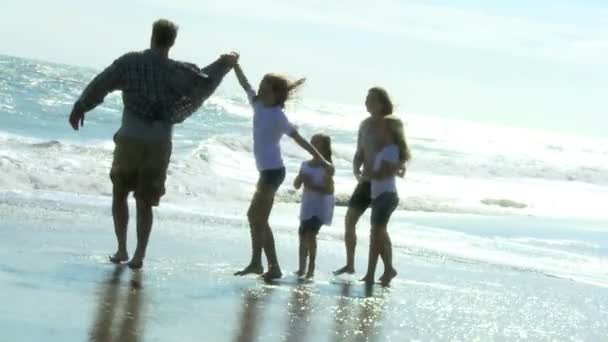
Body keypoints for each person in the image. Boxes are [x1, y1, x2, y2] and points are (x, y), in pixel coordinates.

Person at [68, 19, 238, 269]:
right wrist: (226, 62)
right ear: (172, 42)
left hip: (130, 139)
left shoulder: (130, 62)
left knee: (120, 193)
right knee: (145, 201)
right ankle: (139, 256)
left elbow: (101, 84)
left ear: (152, 36)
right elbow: (205, 80)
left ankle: (121, 249)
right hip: (159, 143)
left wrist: (81, 106)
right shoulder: (179, 72)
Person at [232, 63, 333, 281]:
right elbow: (245, 84)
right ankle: (262, 263)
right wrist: (236, 65)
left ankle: (265, 265)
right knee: (255, 217)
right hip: (265, 172)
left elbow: (300, 139)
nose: (260, 90)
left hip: (274, 172)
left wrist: (322, 159)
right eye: (261, 86)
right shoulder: (257, 104)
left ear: (276, 95)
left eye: (265, 88)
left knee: (258, 217)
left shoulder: (279, 116)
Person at [334, 87, 401, 276]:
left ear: (381, 103)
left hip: (382, 184)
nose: (366, 103)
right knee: (349, 221)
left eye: (370, 99)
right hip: (365, 182)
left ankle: (388, 268)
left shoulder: (392, 125)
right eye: (366, 99)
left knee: (379, 229)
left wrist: (396, 167)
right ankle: (350, 264)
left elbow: (398, 153)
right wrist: (356, 171)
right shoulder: (364, 125)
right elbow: (359, 153)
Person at [360, 115, 411, 286]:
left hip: (385, 196)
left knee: (376, 236)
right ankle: (387, 269)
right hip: (382, 196)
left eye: (382, 129)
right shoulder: (387, 149)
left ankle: (371, 274)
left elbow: (383, 173)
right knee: (379, 235)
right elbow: (392, 170)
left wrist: (367, 174)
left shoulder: (390, 149)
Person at [293, 134, 335, 279]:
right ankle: (301, 268)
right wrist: (299, 180)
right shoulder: (305, 164)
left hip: (321, 206)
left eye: (316, 143)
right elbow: (296, 185)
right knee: (302, 234)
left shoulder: (328, 167)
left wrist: (311, 184)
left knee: (310, 235)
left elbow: (329, 190)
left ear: (324, 147)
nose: (313, 146)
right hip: (307, 205)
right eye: (312, 143)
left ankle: (311, 269)